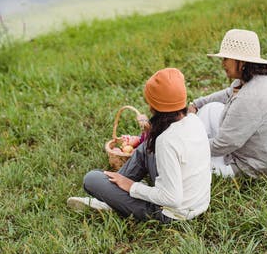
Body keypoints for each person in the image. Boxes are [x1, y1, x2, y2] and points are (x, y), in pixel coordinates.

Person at [67, 68, 211, 223]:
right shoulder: (194, 120)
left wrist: (131, 186)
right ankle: (115, 196)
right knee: (147, 146)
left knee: (92, 179)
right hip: (199, 203)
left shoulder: (166, 140)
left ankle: (111, 201)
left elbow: (172, 198)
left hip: (172, 214)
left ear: (153, 106)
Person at [188, 29, 267, 179]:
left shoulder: (249, 98)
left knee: (189, 166)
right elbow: (227, 94)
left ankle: (186, 142)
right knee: (209, 108)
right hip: (265, 152)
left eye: (226, 58)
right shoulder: (257, 79)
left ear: (242, 61)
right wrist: (197, 104)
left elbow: (222, 144)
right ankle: (191, 137)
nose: (223, 64)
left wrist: (187, 147)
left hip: (256, 165)